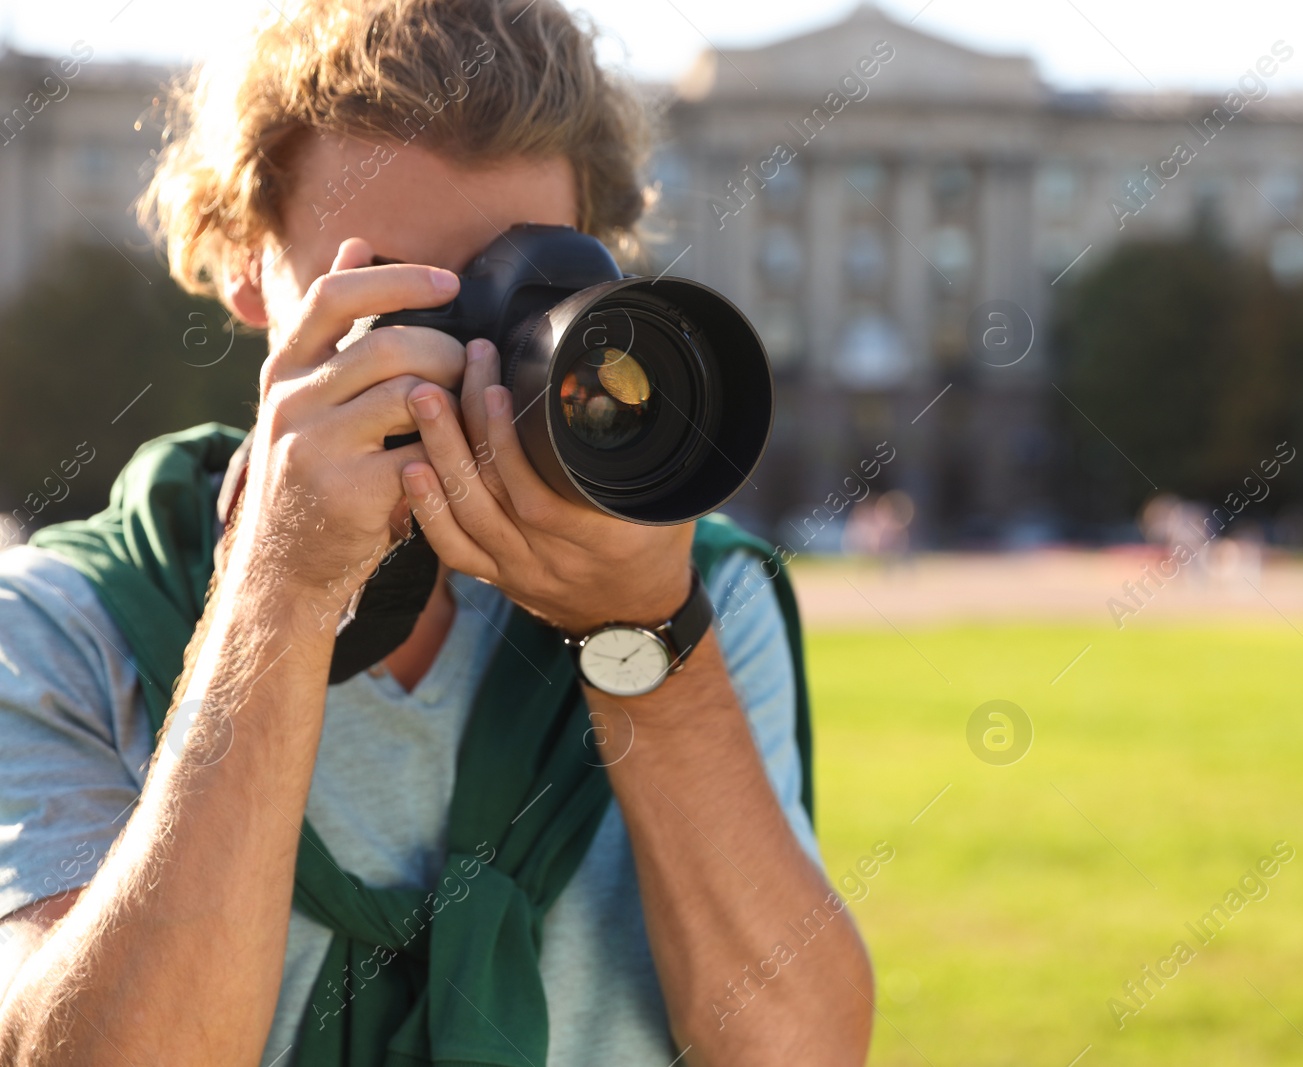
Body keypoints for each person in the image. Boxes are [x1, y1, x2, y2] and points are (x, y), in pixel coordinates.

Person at [0, 2, 873, 1064]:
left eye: (523, 302)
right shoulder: (62, 620)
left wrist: (644, 635)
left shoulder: (699, 588)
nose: (472, 365)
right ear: (243, 258)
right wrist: (277, 597)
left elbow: (798, 1048)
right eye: (401, 302)